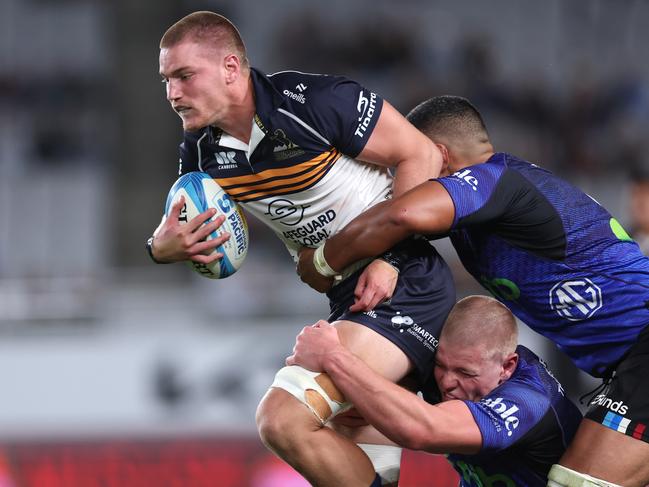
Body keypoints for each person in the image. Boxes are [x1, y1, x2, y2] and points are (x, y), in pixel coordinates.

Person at [148, 11, 456, 487]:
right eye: (167, 79)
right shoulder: (199, 151)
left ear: (231, 67)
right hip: (344, 299)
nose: (172, 94)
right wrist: (163, 247)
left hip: (405, 283)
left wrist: (390, 257)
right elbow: (206, 240)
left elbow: (423, 154)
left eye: (185, 75)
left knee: (281, 419)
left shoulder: (316, 102)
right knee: (364, 471)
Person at [297, 95, 649, 487]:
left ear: (439, 156)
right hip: (628, 360)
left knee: (580, 483)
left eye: (405, 163)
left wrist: (323, 260)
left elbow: (401, 214)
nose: (400, 179)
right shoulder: (480, 214)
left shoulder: (495, 181)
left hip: (644, 346)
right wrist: (389, 260)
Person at [287, 295, 583, 486]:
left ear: (507, 366)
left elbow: (425, 430)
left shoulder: (530, 399)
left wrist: (334, 356)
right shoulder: (458, 371)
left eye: (466, 373)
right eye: (442, 366)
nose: (447, 382)